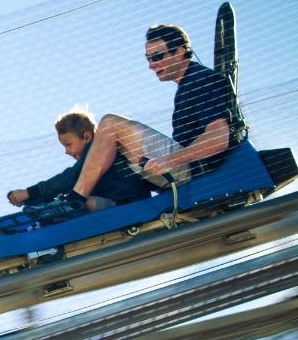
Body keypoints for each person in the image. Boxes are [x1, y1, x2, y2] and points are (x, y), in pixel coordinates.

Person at [53, 24, 233, 209]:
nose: (151, 65)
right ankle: (116, 203)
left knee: (110, 124)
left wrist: (168, 161)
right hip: (191, 168)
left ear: (179, 52)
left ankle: (75, 200)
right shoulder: (187, 86)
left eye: (157, 57)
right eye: (148, 59)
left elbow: (219, 137)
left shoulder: (199, 80)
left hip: (197, 170)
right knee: (113, 148)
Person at [7, 109, 153, 212]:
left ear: (87, 137)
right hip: (119, 201)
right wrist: (30, 199)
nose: (66, 151)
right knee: (71, 197)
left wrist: (30, 192)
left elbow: (72, 176)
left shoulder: (97, 152)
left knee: (79, 202)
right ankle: (45, 208)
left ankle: (52, 212)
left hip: (129, 203)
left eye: (68, 144)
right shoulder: (93, 160)